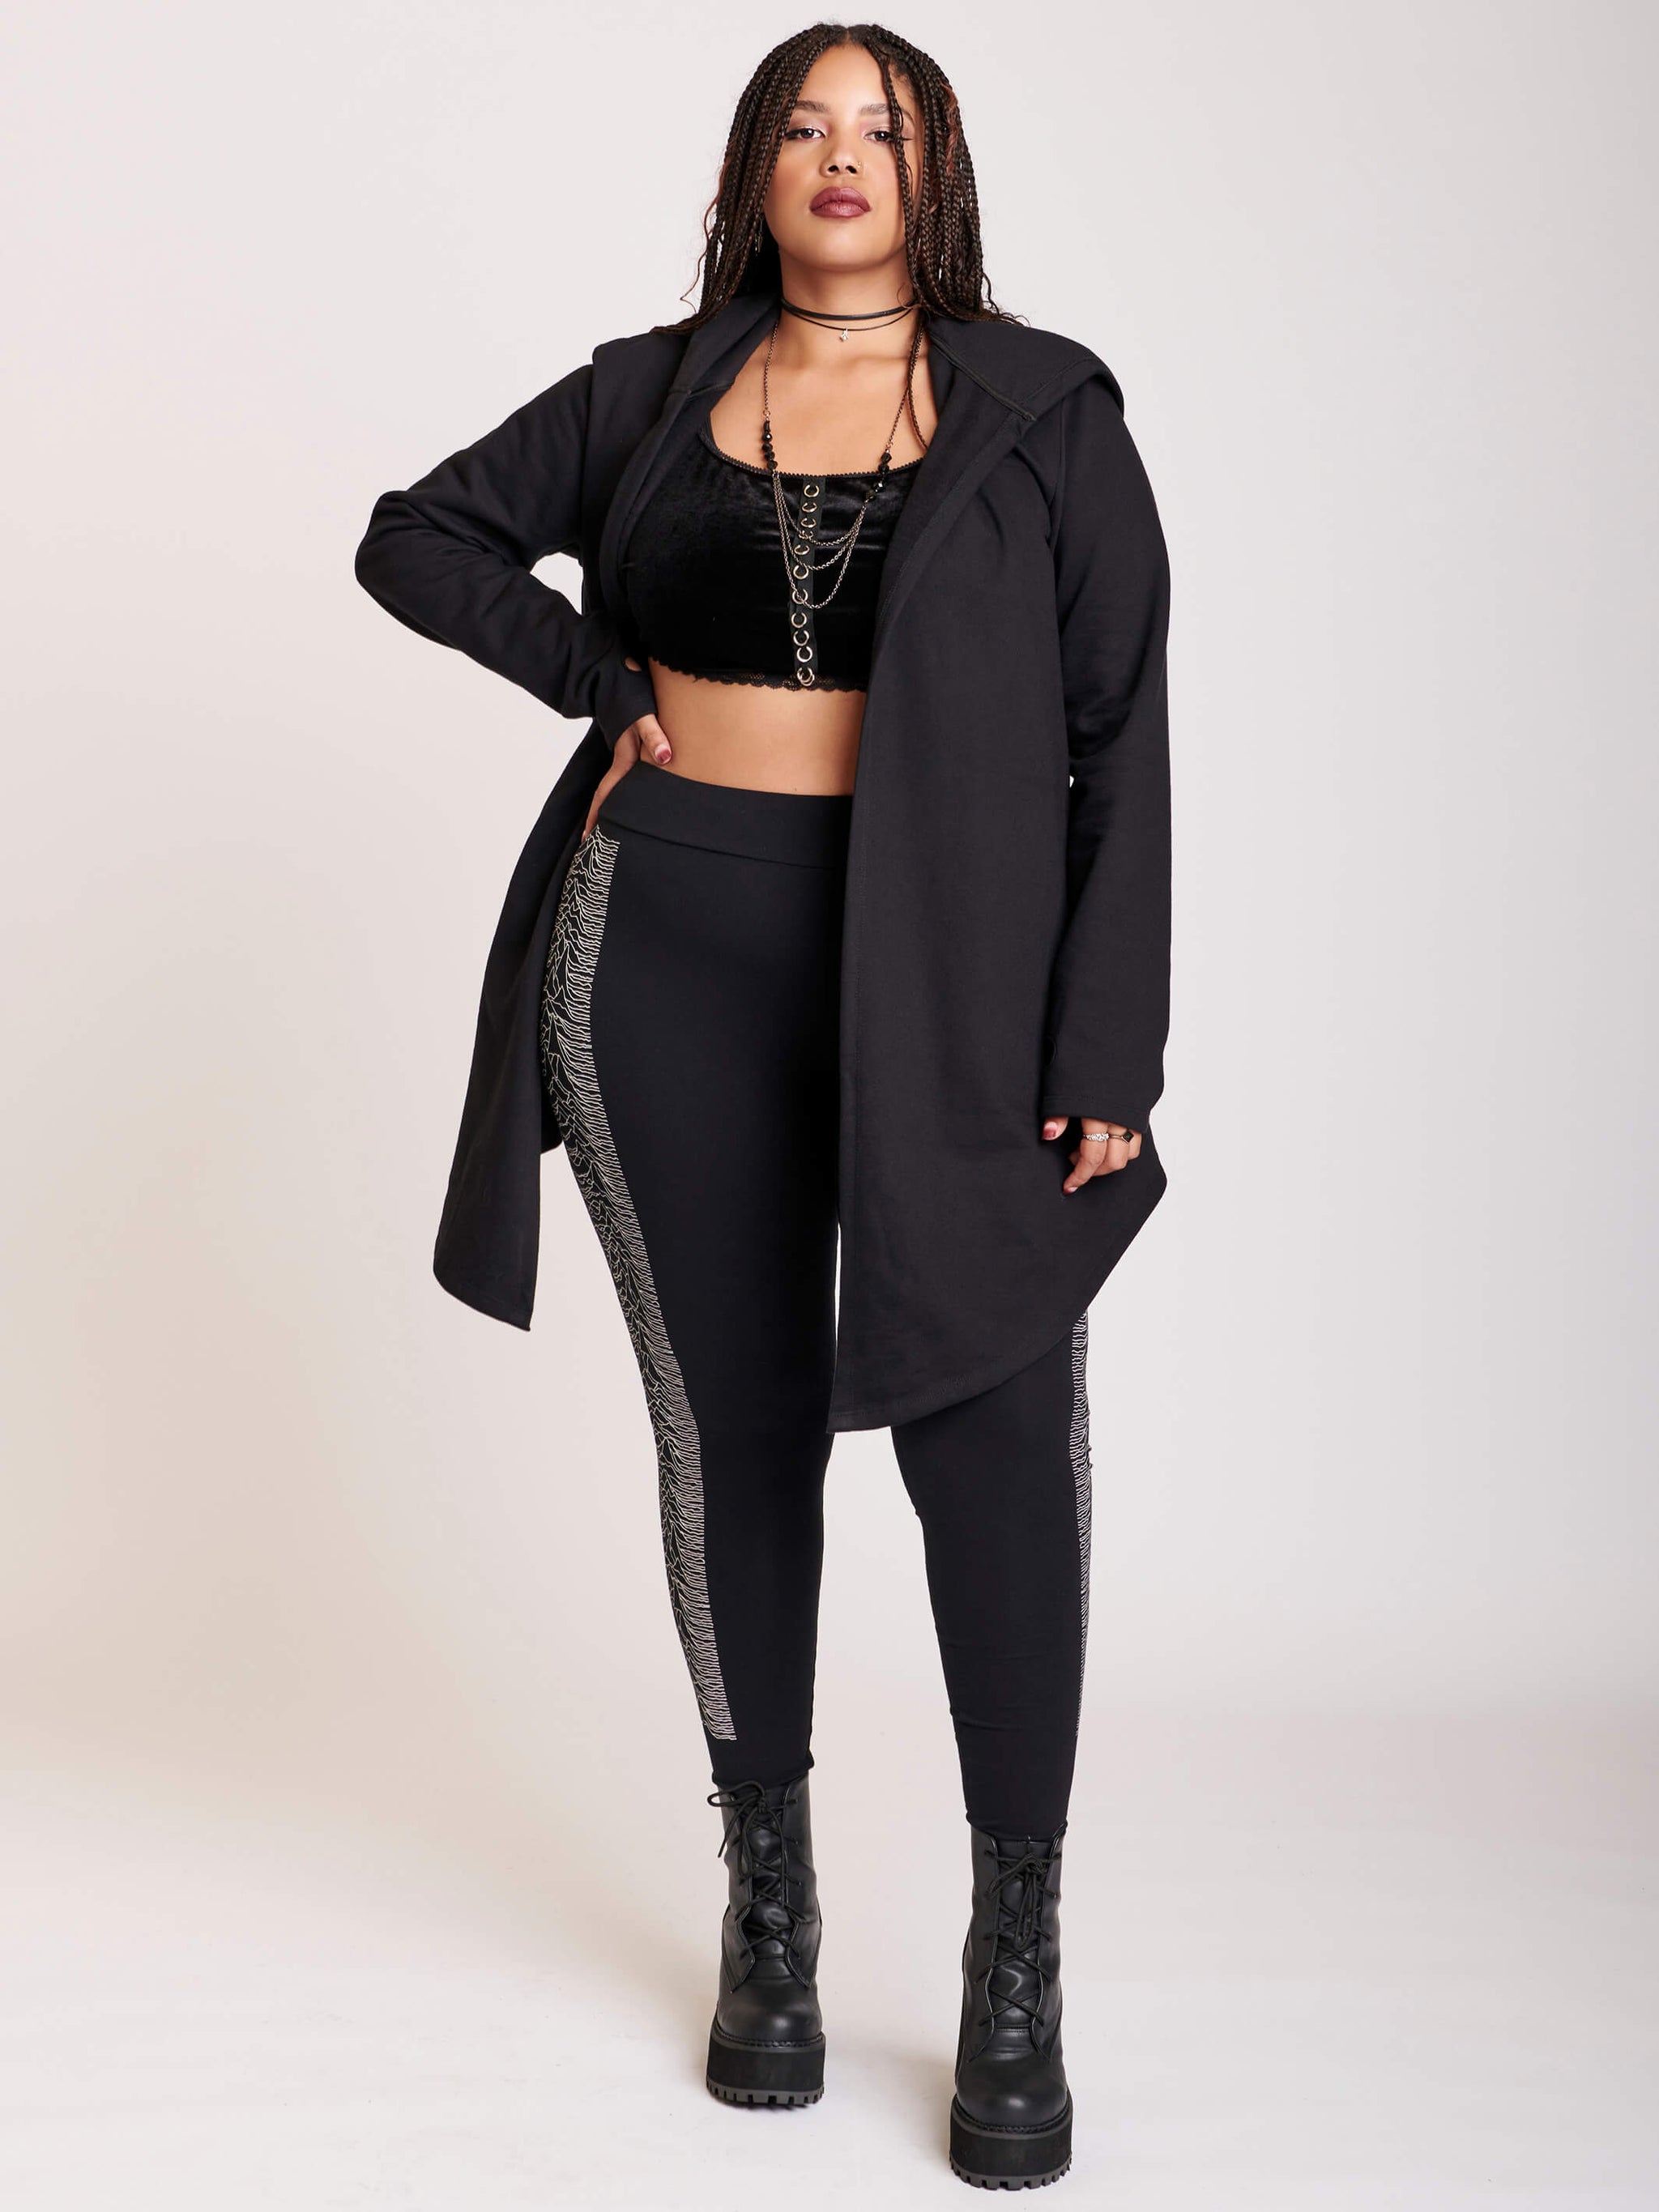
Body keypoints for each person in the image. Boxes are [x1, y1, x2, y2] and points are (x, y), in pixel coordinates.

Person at [354, 19, 1171, 2190]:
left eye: (879, 126)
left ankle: (1016, 1949)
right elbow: (417, 537)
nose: (840, 154)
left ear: (937, 174)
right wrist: (591, 678)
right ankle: (773, 1906)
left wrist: (1106, 1047)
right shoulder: (652, 390)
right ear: (752, 168)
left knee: (998, 1433)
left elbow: (1121, 732)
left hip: (961, 980)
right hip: (668, 950)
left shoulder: (1047, 415)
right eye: (802, 123)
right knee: (734, 1434)